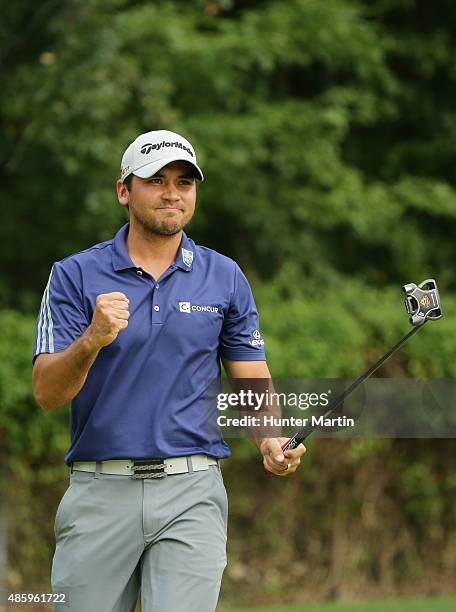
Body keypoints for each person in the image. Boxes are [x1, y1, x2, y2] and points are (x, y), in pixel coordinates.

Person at [32, 129, 306, 612]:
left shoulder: (224, 276)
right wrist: (91, 339)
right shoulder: (74, 274)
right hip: (101, 491)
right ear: (124, 190)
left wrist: (268, 437)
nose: (172, 193)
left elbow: (250, 377)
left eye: (184, 182)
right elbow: (47, 392)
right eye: (155, 180)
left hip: (192, 491)